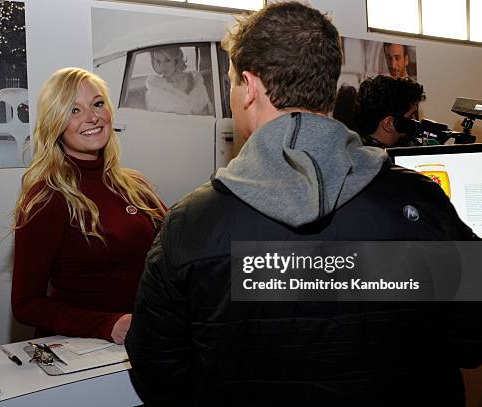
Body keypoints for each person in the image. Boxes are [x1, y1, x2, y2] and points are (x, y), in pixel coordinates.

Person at [125, 2, 481, 406]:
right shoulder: (421, 201)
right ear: (326, 84)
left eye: (233, 84)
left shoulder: (191, 223)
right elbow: (469, 340)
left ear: (250, 86)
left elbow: (157, 368)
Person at [11, 67, 165, 344]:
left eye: (97, 104)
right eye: (74, 110)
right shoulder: (46, 198)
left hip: (146, 341)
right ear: (55, 123)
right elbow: (26, 304)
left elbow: (179, 249)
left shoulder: (135, 185)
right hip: (85, 352)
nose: (92, 117)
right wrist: (107, 325)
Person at [354, 74, 425, 148]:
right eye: (410, 116)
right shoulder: (385, 158)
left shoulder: (353, 153)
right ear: (389, 124)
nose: (415, 120)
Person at [145, 47, 213, 115]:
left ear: (176, 60)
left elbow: (208, 109)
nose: (162, 66)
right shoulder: (155, 89)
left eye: (167, 60)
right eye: (158, 61)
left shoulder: (195, 79)